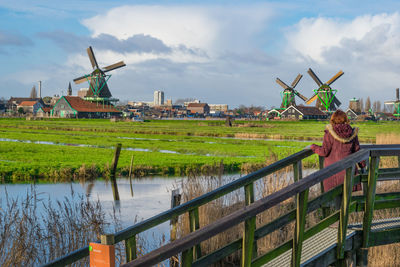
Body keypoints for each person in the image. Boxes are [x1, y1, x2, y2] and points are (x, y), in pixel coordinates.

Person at [309, 109, 364, 192]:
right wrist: (362, 165)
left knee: (333, 198)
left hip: (332, 171)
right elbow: (357, 151)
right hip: (348, 170)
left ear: (333, 119)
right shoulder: (352, 133)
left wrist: (313, 147)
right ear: (346, 119)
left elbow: (324, 152)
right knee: (346, 198)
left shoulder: (329, 133)